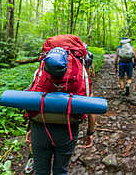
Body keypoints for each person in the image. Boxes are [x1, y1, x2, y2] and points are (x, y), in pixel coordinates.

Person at [25, 35, 96, 175]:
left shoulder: (41, 70)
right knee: (61, 170)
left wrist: (30, 128)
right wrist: (90, 132)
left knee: (40, 170)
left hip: (40, 127)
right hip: (68, 128)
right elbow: (90, 106)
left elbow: (32, 100)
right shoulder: (81, 72)